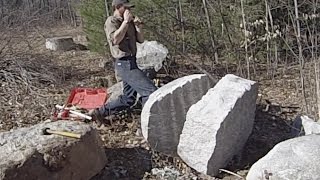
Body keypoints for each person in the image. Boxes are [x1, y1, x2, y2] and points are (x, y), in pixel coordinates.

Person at [90, 0, 157, 122]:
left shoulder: (129, 22)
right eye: (125, 7)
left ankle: (100, 113)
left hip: (132, 60)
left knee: (128, 98)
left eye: (129, 8)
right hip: (124, 63)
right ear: (117, 7)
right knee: (150, 91)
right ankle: (150, 122)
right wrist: (125, 22)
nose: (129, 10)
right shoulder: (112, 21)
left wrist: (138, 27)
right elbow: (115, 40)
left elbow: (140, 40)